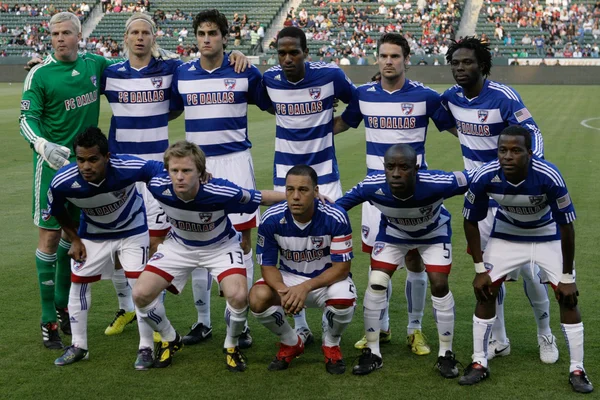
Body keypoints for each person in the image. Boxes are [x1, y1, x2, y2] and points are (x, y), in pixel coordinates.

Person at [333, 33, 456, 355]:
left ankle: (415, 330)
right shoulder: (363, 95)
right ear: (377, 59)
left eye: (395, 56)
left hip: (415, 193)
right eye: (384, 56)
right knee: (378, 263)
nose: (389, 61)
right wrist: (302, 124)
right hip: (376, 193)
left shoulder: (426, 97)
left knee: (414, 260)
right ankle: (381, 327)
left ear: (406, 59)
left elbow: (457, 129)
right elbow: (343, 124)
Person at [440, 37, 559, 364]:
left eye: (467, 62)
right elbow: (439, 115)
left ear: (482, 65)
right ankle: (500, 338)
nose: (461, 68)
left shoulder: (504, 97)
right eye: (456, 63)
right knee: (490, 273)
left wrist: (530, 177)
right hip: (480, 201)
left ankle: (545, 333)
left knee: (529, 270)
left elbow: (533, 135)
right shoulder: (451, 97)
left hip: (511, 198)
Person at [131, 141, 287, 370]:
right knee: (140, 294)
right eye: (174, 170)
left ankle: (231, 344)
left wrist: (299, 195)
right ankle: (170, 338)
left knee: (238, 295)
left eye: (187, 171)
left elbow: (260, 197)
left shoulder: (220, 191)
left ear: (201, 173)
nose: (179, 177)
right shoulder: (157, 184)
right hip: (179, 246)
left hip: (220, 247)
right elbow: (134, 167)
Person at [460, 126, 593, 394]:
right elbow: (469, 221)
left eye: (516, 150)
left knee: (568, 297)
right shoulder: (486, 175)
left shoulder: (549, 176)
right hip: (507, 237)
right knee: (485, 292)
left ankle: (577, 369)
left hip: (548, 237)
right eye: (502, 150)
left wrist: (567, 277)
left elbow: (567, 228)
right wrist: (479, 269)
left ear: (530, 153)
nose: (507, 156)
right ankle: (479, 362)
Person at [169, 9, 271, 349]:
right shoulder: (182, 73)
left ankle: (238, 323)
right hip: (197, 167)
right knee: (197, 239)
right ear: (196, 37)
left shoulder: (243, 70)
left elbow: (272, 103)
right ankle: (202, 322)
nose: (207, 39)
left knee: (241, 243)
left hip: (235, 163)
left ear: (225, 37)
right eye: (201, 33)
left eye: (213, 33)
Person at [19, 11, 120, 349]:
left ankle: (62, 305)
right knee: (49, 240)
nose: (59, 38)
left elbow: (130, 70)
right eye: (54, 34)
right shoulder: (40, 75)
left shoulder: (95, 65)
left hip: (87, 169)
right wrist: (41, 144)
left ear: (80, 35)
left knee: (72, 237)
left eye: (66, 33)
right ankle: (48, 318)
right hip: (51, 169)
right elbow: (26, 118)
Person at [336, 144, 469, 378]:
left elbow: (476, 178)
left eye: (404, 167)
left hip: (433, 234)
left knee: (439, 283)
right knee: (376, 281)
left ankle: (446, 354)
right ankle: (373, 351)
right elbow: (338, 208)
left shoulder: (438, 182)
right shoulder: (371, 185)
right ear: (384, 168)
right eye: (390, 167)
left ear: (416, 168)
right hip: (394, 234)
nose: (396, 173)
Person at [261, 26, 357, 340]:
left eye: (294, 52)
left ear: (306, 52)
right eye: (282, 53)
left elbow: (356, 104)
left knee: (334, 250)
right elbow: (256, 98)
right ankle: (300, 324)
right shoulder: (269, 79)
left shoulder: (330, 76)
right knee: (290, 251)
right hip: (284, 179)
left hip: (325, 177)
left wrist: (336, 126)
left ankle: (333, 322)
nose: (288, 59)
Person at [48, 127, 161, 369]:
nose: (86, 166)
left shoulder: (126, 167)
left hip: (132, 231)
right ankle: (79, 346)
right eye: (81, 160)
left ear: (107, 157)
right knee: (78, 282)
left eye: (93, 159)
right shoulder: (62, 182)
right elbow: (57, 211)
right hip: (93, 235)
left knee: (139, 287)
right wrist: (75, 239)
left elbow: (156, 169)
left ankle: (146, 347)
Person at [250, 165, 355, 374]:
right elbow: (267, 265)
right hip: (289, 279)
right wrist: (283, 290)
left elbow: (342, 269)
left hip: (327, 280)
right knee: (257, 297)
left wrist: (305, 287)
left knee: (344, 298)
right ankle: (291, 342)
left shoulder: (335, 217)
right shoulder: (271, 219)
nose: (295, 196)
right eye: (290, 190)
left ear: (316, 192)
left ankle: (331, 343)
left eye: (303, 190)